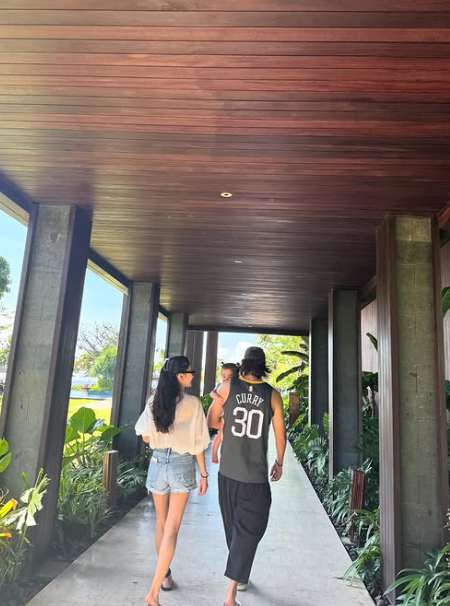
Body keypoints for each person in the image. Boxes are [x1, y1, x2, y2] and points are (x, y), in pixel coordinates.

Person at [207, 346, 286, 606]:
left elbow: (212, 421)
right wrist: (279, 461)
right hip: (255, 477)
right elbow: (280, 435)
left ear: (244, 364)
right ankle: (231, 592)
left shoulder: (227, 387)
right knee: (249, 530)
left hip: (227, 474)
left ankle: (238, 577)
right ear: (263, 366)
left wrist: (224, 415)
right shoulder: (272, 395)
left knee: (233, 528)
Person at [135, 355, 211, 606]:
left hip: (157, 463)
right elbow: (199, 444)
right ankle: (153, 592)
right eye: (191, 372)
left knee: (161, 524)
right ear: (180, 376)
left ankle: (165, 577)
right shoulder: (193, 404)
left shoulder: (154, 400)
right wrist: (204, 474)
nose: (193, 376)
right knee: (172, 528)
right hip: (181, 463)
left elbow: (145, 436)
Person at [210, 363, 239, 464]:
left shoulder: (237, 387)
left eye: (229, 377)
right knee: (220, 434)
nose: (226, 379)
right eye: (223, 376)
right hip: (224, 414)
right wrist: (217, 397)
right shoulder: (220, 385)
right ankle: (214, 453)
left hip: (234, 415)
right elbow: (212, 393)